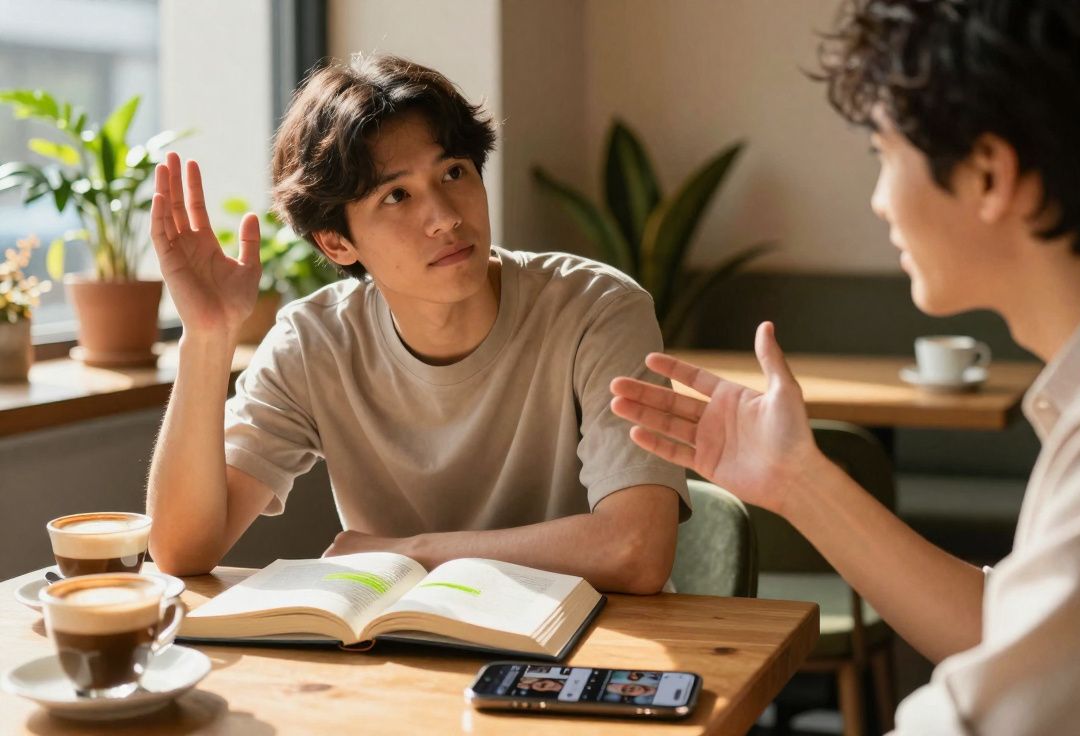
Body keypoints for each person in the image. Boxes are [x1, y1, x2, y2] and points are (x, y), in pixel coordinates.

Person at [610, 0, 1080, 731]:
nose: (880, 202)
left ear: (988, 173)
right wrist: (795, 479)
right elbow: (1014, 633)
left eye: (884, 155)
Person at [145, 54, 687, 595]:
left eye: (454, 173)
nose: (447, 216)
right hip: (402, 656)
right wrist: (208, 337)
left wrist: (414, 552)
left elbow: (635, 550)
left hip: (586, 648)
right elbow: (182, 549)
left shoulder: (598, 309)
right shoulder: (314, 343)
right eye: (397, 195)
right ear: (337, 241)